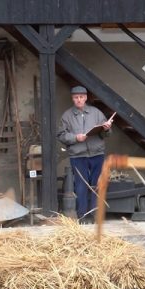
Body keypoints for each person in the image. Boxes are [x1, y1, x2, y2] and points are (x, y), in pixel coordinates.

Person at [57, 86, 112, 222]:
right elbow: (61, 135)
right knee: (81, 185)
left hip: (97, 153)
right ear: (72, 99)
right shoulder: (67, 116)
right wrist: (76, 138)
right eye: (76, 97)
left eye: (81, 97)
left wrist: (106, 128)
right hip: (78, 155)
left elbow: (107, 134)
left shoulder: (96, 113)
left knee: (97, 184)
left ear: (86, 98)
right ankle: (83, 215)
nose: (79, 100)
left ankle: (95, 213)